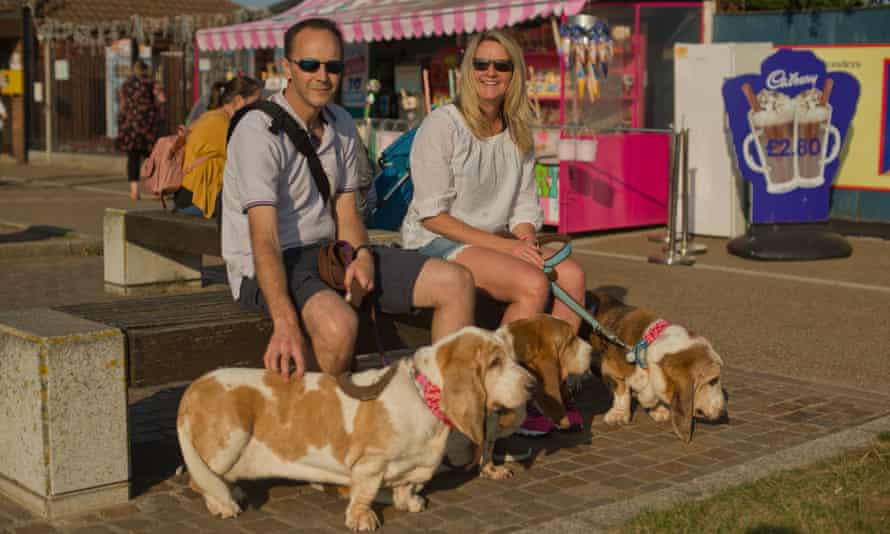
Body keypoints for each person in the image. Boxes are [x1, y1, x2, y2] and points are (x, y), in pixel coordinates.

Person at [222, 18, 476, 379]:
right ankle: (322, 427)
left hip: (329, 254)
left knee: (457, 282)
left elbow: (346, 210)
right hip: (269, 263)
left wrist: (362, 257)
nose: (322, 76)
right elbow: (263, 237)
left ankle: (442, 409)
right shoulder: (258, 131)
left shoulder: (340, 121)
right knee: (338, 325)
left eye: (333, 66)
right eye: (310, 64)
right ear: (287, 68)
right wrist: (285, 322)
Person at [401, 30, 588, 436]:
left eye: (501, 65)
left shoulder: (518, 129)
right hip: (436, 239)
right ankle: (497, 397)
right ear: (467, 71)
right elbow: (432, 215)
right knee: (530, 283)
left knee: (571, 275)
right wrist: (507, 246)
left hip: (491, 241)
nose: (490, 72)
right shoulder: (442, 125)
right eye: (481, 63)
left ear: (514, 73)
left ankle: (548, 390)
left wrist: (523, 240)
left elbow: (523, 206)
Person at [173, 75, 264, 218]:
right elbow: (247, 161)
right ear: (238, 101)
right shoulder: (222, 124)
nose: (260, 108)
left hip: (191, 196)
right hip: (198, 200)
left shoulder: (213, 116)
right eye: (256, 102)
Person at [116, 60, 163, 200]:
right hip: (147, 125)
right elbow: (161, 100)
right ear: (146, 70)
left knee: (133, 158)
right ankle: (155, 189)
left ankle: (134, 191)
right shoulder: (151, 83)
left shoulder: (126, 84)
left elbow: (122, 104)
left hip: (130, 127)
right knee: (151, 157)